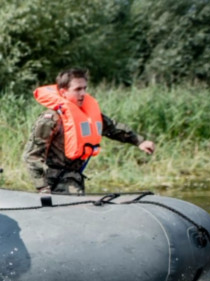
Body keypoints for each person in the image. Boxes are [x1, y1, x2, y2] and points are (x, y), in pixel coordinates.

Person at [22, 68, 156, 194]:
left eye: (85, 88)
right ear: (63, 92)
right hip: (54, 182)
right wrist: (42, 187)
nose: (83, 94)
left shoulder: (88, 114)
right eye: (78, 89)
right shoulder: (50, 119)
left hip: (75, 179)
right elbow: (32, 155)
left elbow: (113, 128)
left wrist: (139, 142)